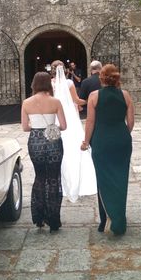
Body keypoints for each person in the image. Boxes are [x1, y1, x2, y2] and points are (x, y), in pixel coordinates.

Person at [82, 64, 135, 235]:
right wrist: (122, 135)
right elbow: (131, 122)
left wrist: (85, 141)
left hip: (101, 140)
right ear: (117, 77)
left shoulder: (93, 96)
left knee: (103, 178)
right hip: (122, 140)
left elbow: (90, 122)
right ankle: (119, 218)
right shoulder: (125, 95)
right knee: (121, 178)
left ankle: (106, 220)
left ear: (101, 78)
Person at [21, 72, 67, 231]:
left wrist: (37, 126)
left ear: (34, 84)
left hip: (35, 141)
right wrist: (51, 127)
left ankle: (39, 217)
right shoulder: (55, 102)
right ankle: (53, 220)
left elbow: (25, 127)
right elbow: (64, 126)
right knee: (53, 178)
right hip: (53, 141)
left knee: (40, 177)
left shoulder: (26, 103)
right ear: (48, 84)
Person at [50, 60, 96, 202]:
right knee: (74, 144)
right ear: (64, 69)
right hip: (69, 116)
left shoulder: (50, 83)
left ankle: (60, 180)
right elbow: (76, 100)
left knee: (58, 145)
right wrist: (90, 100)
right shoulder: (69, 83)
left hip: (56, 117)